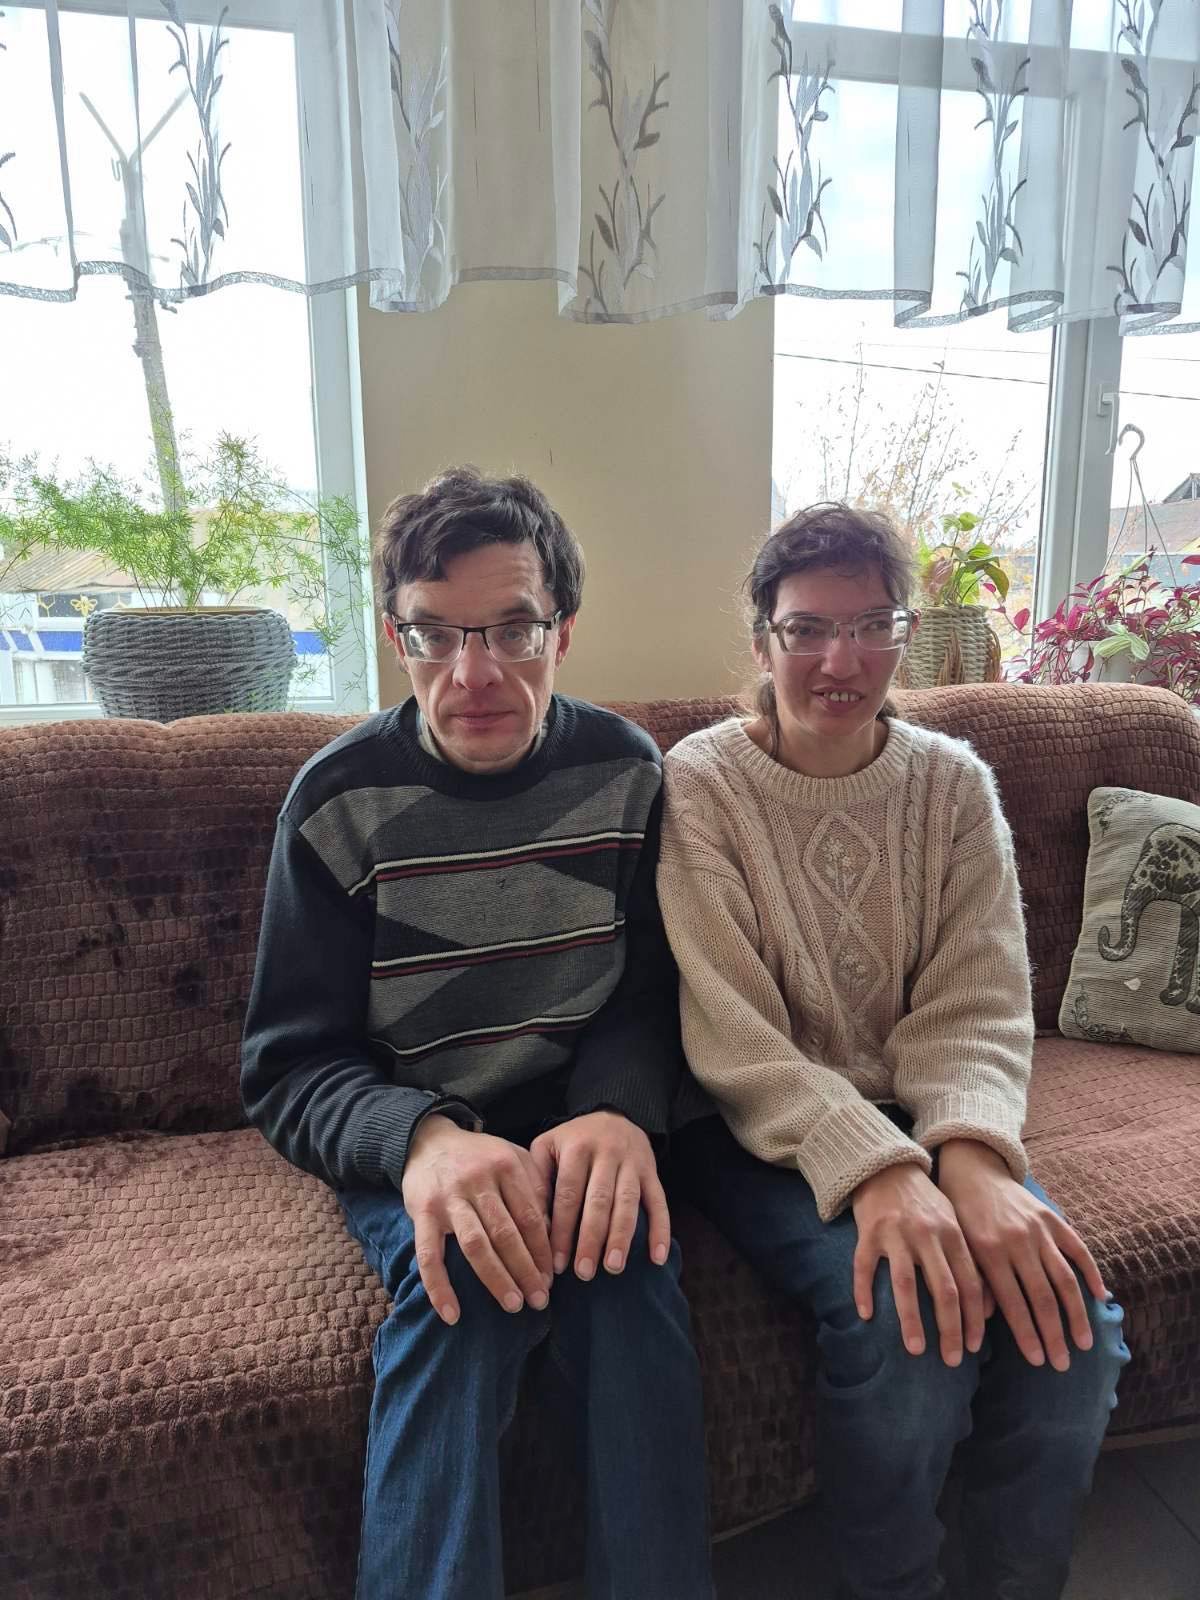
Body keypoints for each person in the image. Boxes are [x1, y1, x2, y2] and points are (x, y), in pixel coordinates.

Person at [241, 466, 713, 1600]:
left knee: (633, 1279)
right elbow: (289, 1064)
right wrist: (422, 1142)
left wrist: (619, 1110)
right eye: (437, 635)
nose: (476, 674)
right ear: (394, 636)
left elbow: (653, 993)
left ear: (564, 631)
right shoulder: (334, 802)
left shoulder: (630, 775)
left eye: (512, 629)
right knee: (465, 1282)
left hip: (576, 1123)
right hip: (415, 1131)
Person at [657, 503, 1128, 1600]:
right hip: (759, 1127)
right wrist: (876, 1171)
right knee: (908, 1333)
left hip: (927, 1113)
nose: (842, 660)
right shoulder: (700, 783)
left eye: (873, 625)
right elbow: (732, 1032)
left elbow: (980, 999)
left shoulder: (953, 784)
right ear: (762, 638)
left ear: (905, 633)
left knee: (1073, 1338)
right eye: (809, 628)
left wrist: (971, 1160)